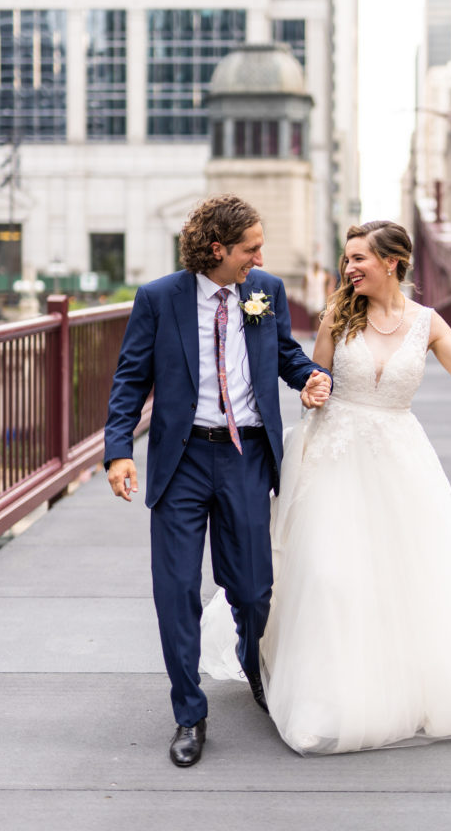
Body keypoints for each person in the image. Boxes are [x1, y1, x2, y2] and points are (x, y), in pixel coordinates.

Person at [201, 220, 451, 755]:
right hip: (330, 455)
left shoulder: (429, 323)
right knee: (328, 574)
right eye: (346, 259)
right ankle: (322, 690)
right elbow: (309, 380)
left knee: (400, 575)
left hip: (398, 457)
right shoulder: (337, 316)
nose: (349, 269)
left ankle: (393, 686)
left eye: (359, 259)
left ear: (393, 263)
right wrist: (314, 392)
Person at [104, 193, 331, 767]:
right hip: (181, 461)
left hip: (247, 456)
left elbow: (285, 354)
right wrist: (117, 452)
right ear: (217, 249)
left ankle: (253, 666)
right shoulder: (160, 298)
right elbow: (131, 378)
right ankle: (189, 712)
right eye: (251, 248)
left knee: (254, 589)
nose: (260, 256)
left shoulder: (265, 291)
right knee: (176, 591)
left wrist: (311, 378)